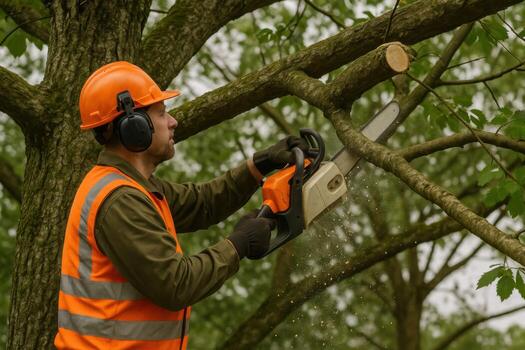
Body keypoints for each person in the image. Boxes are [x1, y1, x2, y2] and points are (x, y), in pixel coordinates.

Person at [54, 61, 309, 350]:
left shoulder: (136, 187)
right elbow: (175, 284)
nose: (173, 121)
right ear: (135, 128)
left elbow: (202, 203)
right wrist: (238, 244)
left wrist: (258, 165)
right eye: (162, 113)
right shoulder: (121, 200)